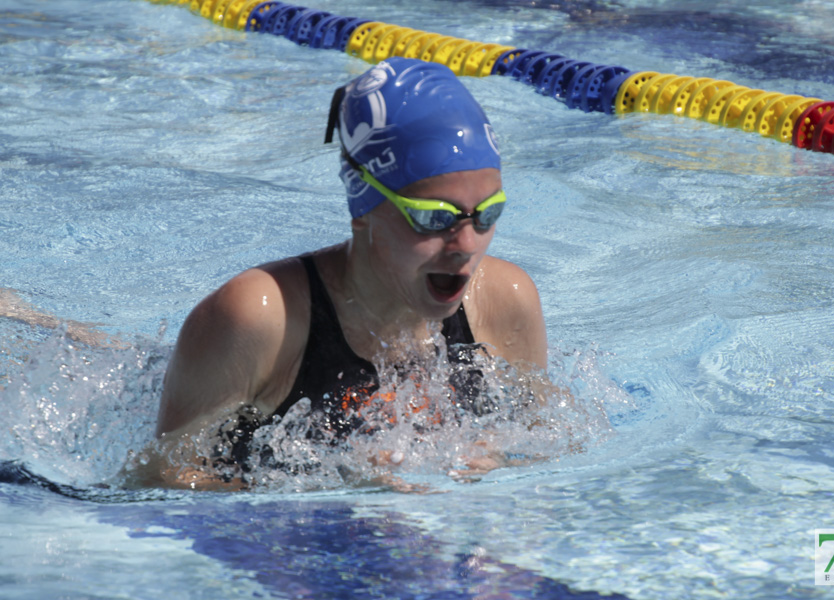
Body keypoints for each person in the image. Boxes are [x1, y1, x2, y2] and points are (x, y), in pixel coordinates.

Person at [147, 57, 549, 491]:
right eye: (434, 218)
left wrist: (502, 461)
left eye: (488, 214)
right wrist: (338, 492)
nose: (466, 245)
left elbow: (549, 442)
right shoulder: (260, 318)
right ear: (363, 207)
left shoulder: (504, 299)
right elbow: (160, 480)